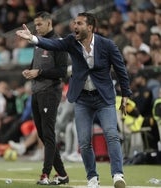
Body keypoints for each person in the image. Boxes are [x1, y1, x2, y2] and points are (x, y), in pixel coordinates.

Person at [16, 12, 132, 188]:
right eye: (74, 23)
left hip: (104, 98)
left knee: (111, 134)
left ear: (90, 27)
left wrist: (125, 95)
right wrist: (32, 38)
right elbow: (53, 44)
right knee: (84, 141)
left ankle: (117, 175)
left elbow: (121, 70)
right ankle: (92, 178)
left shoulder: (107, 45)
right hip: (83, 98)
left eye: (79, 23)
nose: (74, 26)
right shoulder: (71, 41)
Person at [20, 11, 69, 185]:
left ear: (49, 23)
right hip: (37, 91)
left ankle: (45, 174)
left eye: (40, 24)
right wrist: (30, 70)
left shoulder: (59, 43)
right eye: (36, 25)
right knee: (42, 135)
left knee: (48, 134)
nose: (37, 28)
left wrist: (39, 72)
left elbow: (63, 71)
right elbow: (36, 64)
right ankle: (62, 174)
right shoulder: (37, 43)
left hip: (50, 92)